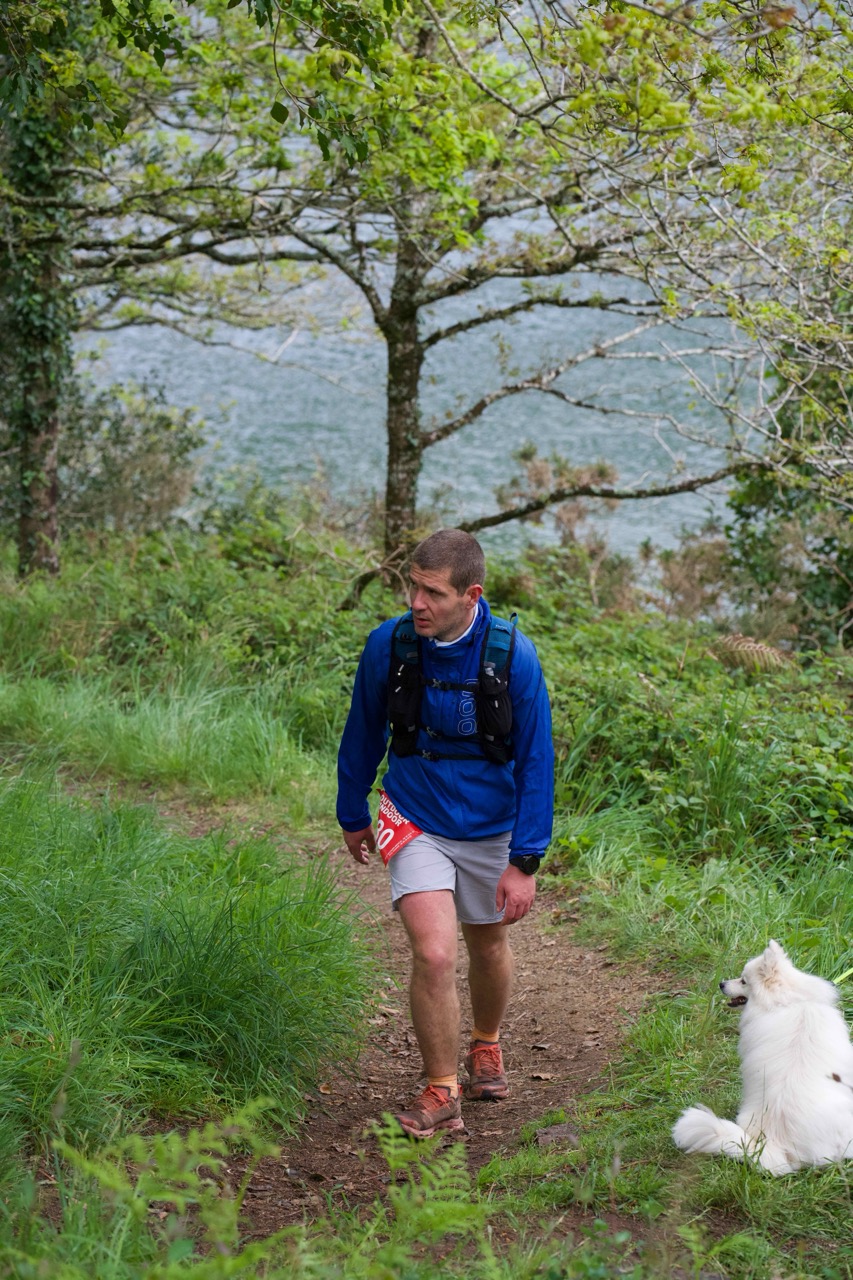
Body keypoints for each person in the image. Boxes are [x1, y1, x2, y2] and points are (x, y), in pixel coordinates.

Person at [336, 529, 554, 1137]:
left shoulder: (514, 657)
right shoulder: (389, 645)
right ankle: (441, 1088)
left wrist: (525, 861)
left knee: (487, 945)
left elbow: (537, 762)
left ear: (471, 595)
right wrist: (352, 811)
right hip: (414, 812)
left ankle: (486, 1041)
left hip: (491, 824)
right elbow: (362, 732)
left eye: (432, 592)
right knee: (433, 952)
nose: (417, 603)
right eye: (413, 587)